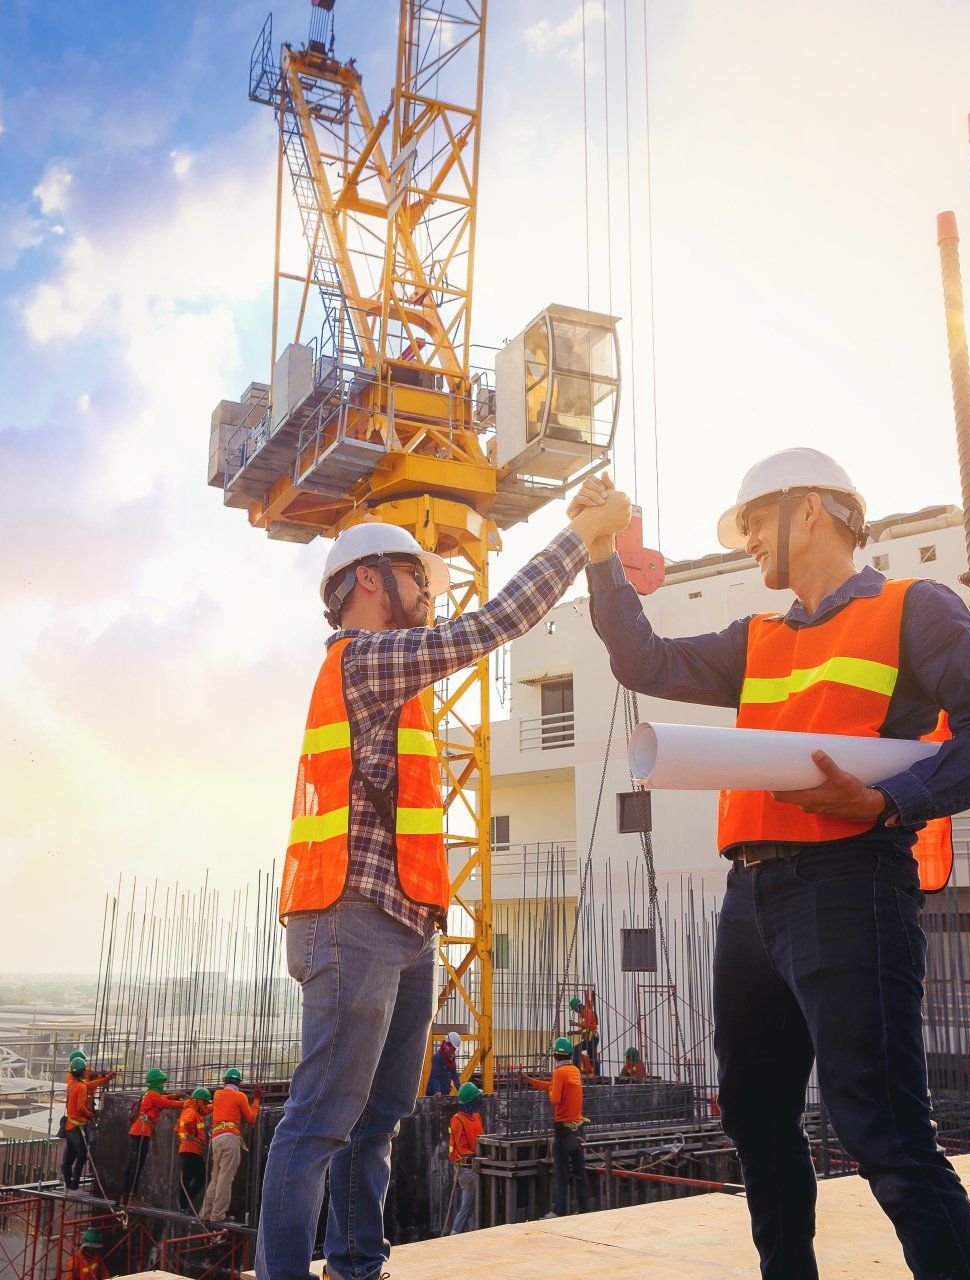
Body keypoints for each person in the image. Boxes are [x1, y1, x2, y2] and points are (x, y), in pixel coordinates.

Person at [579, 450, 970, 1280]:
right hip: (751, 895)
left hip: (851, 882)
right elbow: (645, 663)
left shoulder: (913, 608)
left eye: (754, 521)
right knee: (753, 1114)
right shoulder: (759, 637)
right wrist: (603, 559)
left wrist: (889, 801)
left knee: (884, 1130)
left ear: (814, 510)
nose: (748, 540)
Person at [257, 494, 632, 1280]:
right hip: (349, 918)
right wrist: (577, 539)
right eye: (413, 577)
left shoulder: (400, 684)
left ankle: (357, 1262)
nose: (430, 594)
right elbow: (491, 625)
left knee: (380, 1118)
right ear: (366, 580)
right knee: (322, 1118)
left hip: (406, 923)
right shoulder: (363, 660)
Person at [521, 1037, 589, 1217]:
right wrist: (532, 1081)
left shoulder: (559, 1073)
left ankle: (558, 1212)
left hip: (563, 1131)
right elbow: (553, 1087)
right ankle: (585, 1210)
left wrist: (548, 1089)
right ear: (569, 1054)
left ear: (555, 1056)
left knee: (561, 1173)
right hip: (578, 1130)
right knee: (580, 1172)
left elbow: (554, 1098)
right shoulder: (574, 1071)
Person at [203, 1068, 260, 1223]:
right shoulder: (240, 1096)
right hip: (230, 1138)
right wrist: (256, 1099)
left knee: (215, 1177)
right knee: (225, 1177)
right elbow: (251, 1118)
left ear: (224, 1081)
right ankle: (217, 1215)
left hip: (216, 1139)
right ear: (239, 1083)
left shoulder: (218, 1095)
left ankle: (205, 1213)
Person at [121, 1068, 184, 1204]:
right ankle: (131, 1196)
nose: (162, 1086)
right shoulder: (152, 1095)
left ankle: (125, 1196)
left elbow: (164, 1099)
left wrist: (175, 1095)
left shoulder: (148, 1094)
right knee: (137, 1166)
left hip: (138, 1132)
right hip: (141, 1132)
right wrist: (185, 1103)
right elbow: (167, 1103)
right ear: (156, 1082)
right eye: (161, 1083)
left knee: (133, 1165)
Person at [61, 1052, 114, 1192]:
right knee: (82, 1155)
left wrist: (104, 1078)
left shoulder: (72, 1083)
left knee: (71, 1154)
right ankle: (74, 1185)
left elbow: (89, 1084)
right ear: (82, 1071)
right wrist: (90, 1114)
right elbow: (80, 1106)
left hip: (70, 1126)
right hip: (77, 1127)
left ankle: (68, 1182)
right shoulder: (80, 1086)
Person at [446, 1082, 484, 1235]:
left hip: (475, 1165)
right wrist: (474, 1157)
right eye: (477, 1097)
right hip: (466, 1169)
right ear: (471, 1100)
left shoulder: (476, 1116)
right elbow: (461, 1149)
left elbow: (481, 1138)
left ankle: (454, 1234)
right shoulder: (457, 1119)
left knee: (467, 1206)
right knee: (486, 1190)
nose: (480, 1099)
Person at [177, 1088, 211, 1215]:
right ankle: (183, 1205)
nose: (205, 1105)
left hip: (193, 1150)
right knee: (189, 1178)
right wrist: (192, 1134)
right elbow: (187, 1123)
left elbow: (207, 1110)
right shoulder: (191, 1111)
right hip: (190, 1149)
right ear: (197, 1100)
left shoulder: (197, 1112)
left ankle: (184, 1203)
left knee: (199, 1179)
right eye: (204, 1102)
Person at [568, 994, 600, 1074]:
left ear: (577, 1005)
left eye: (574, 1009)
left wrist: (575, 1024)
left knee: (576, 1049)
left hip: (592, 1039)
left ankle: (575, 1070)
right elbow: (584, 1029)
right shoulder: (582, 1014)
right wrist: (574, 1032)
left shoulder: (587, 1012)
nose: (575, 1011)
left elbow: (587, 1025)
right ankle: (597, 1074)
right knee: (592, 1058)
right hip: (590, 1039)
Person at [425, 1031, 461, 1097]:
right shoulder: (437, 1057)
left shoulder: (451, 1058)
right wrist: (437, 1091)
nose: (453, 1051)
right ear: (447, 1044)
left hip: (445, 1092)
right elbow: (436, 1076)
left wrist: (460, 1090)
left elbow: (454, 1075)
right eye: (453, 1048)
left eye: (455, 1049)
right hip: (434, 1094)